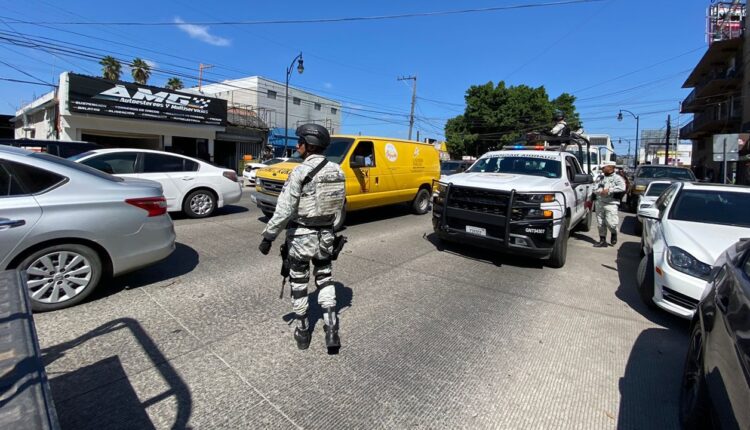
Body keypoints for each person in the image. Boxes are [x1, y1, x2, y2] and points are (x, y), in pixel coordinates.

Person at [258, 124, 346, 351]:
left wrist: (268, 236)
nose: (297, 146)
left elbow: (284, 209)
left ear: (308, 145)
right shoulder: (338, 170)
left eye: (299, 142)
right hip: (326, 235)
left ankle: (304, 331)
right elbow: (339, 206)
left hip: (301, 236)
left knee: (299, 282)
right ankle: (332, 330)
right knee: (325, 278)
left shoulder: (299, 171)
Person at [593, 161, 626, 248]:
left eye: (604, 167)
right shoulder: (600, 177)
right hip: (600, 202)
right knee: (600, 223)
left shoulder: (617, 178)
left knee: (611, 223)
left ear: (610, 167)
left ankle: (614, 233)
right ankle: (602, 240)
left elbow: (622, 187)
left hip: (611, 203)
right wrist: (597, 191)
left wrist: (609, 190)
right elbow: (595, 187)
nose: (602, 169)